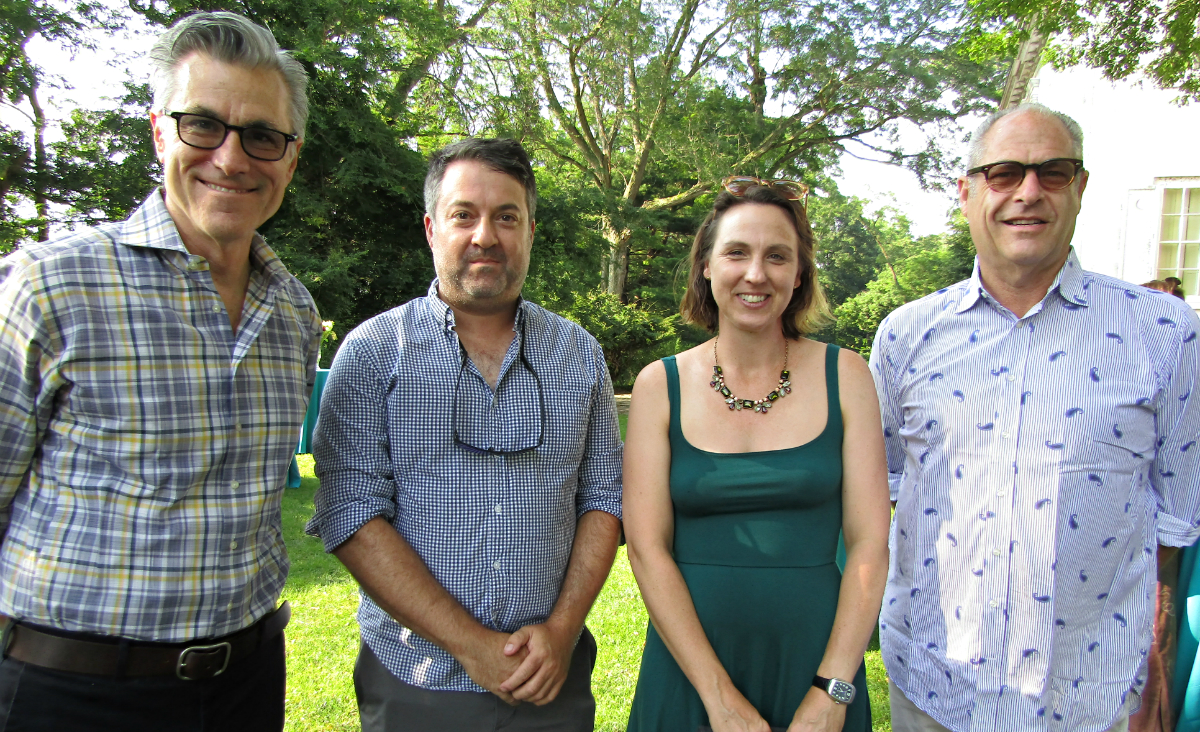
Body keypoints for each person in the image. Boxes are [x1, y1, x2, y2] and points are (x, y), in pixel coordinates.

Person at [0, 11, 320, 731]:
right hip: (73, 695)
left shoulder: (294, 314)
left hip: (244, 688)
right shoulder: (51, 286)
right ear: (159, 132)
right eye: (203, 124)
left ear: (290, 159)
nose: (232, 159)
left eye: (262, 136)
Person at [871, 103, 1200, 732]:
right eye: (1004, 173)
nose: (1028, 192)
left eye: (1053, 172)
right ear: (966, 193)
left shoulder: (1167, 333)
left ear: (1080, 188)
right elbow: (885, 494)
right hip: (936, 688)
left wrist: (1156, 669)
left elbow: (1176, 523)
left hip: (1094, 694)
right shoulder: (906, 337)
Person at [306, 137, 622, 732]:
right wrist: (469, 643)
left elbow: (605, 497)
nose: (486, 235)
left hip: (551, 677)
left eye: (507, 216)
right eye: (464, 215)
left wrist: (561, 631)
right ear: (431, 228)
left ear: (530, 229)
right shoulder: (374, 353)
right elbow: (350, 513)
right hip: (416, 679)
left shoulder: (577, 353)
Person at [623, 177, 891, 732]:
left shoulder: (847, 376)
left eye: (777, 256)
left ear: (799, 273)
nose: (755, 274)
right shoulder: (659, 385)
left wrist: (833, 689)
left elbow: (870, 544)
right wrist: (717, 697)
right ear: (706, 265)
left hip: (816, 669)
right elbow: (648, 549)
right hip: (689, 669)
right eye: (736, 252)